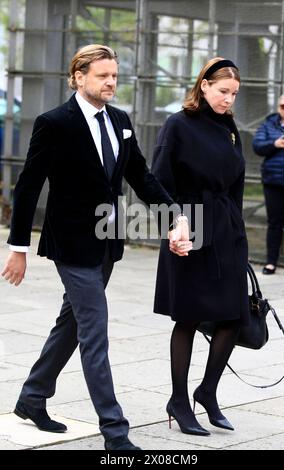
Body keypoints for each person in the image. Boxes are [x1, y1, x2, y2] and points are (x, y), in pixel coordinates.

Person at [1, 44, 187, 451]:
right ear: (78, 76)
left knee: (72, 323)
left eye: (115, 76)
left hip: (106, 242)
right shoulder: (54, 123)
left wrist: (176, 216)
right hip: (69, 244)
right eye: (102, 75)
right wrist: (17, 246)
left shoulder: (120, 121)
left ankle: (32, 398)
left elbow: (141, 175)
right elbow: (29, 185)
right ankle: (115, 432)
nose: (110, 83)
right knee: (95, 330)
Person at [151, 58, 249, 436]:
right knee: (189, 317)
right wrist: (174, 227)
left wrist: (236, 229)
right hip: (189, 224)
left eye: (234, 94)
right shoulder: (178, 124)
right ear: (204, 85)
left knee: (233, 316)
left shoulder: (229, 127)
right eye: (223, 91)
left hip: (226, 228)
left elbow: (237, 183)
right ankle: (178, 399)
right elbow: (158, 181)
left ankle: (207, 392)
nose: (228, 100)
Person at [252, 93, 284, 277]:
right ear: (279, 107)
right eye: (283, 106)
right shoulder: (268, 124)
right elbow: (257, 146)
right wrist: (275, 144)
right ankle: (271, 262)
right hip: (273, 182)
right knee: (274, 224)